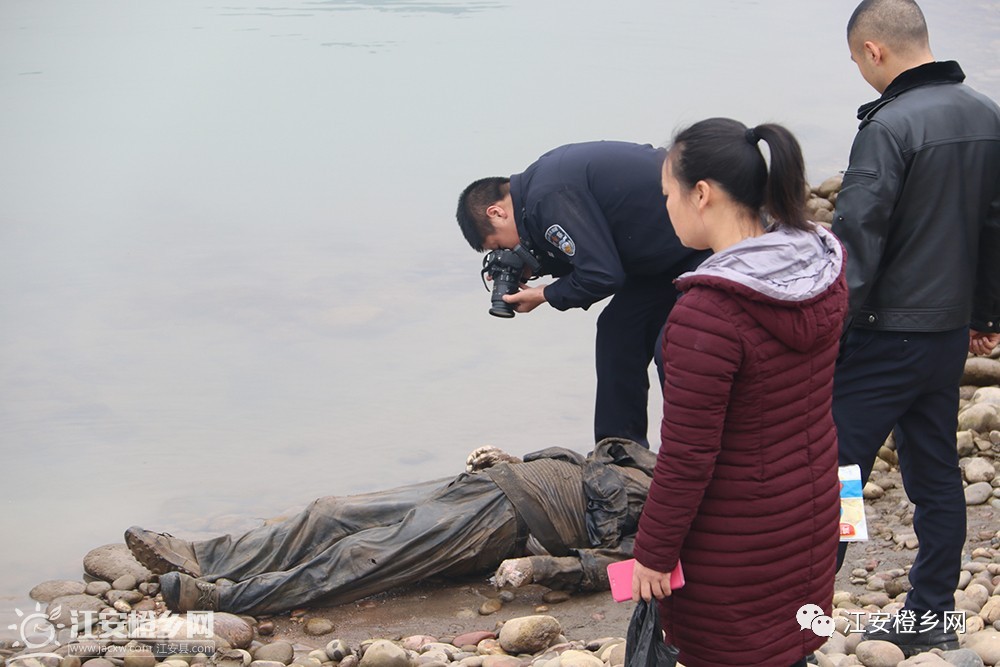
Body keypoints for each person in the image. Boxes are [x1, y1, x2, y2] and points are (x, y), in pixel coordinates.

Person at [630, 119, 848, 667]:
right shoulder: (822, 265)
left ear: (700, 194)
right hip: (815, 509)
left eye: (667, 195)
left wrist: (652, 555)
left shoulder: (707, 314)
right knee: (789, 645)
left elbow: (687, 458)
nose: (667, 208)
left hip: (737, 544)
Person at [831, 0, 1000, 656]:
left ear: (874, 50)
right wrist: (985, 313)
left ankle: (810, 600)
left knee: (837, 471)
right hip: (945, 334)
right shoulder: (987, 115)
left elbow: (858, 235)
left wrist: (828, 323)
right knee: (934, 470)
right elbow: (994, 229)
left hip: (881, 333)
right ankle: (932, 608)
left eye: (856, 61)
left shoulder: (889, 126)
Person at [124, 439, 653, 615]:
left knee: (360, 555)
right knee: (328, 511)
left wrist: (539, 567)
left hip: (505, 523)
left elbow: (619, 572)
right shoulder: (647, 458)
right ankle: (206, 554)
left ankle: (222, 600)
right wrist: (513, 456)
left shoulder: (686, 525)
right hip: (486, 485)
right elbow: (581, 464)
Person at [456, 142, 709, 447]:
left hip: (706, 240)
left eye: (499, 247)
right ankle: (619, 455)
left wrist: (544, 295)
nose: (506, 253)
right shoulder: (540, 184)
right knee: (618, 331)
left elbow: (602, 275)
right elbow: (592, 251)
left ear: (496, 212)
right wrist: (531, 269)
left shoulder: (546, 198)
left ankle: (692, 454)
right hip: (664, 253)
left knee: (673, 345)